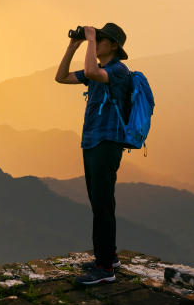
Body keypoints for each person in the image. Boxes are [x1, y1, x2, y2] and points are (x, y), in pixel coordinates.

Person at [54, 22, 134, 286]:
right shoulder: (98, 70)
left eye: (101, 39)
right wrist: (72, 46)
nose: (97, 42)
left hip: (107, 143)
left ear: (114, 46)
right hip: (91, 142)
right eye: (96, 38)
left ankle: (104, 269)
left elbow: (89, 70)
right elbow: (61, 77)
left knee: (102, 205)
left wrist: (88, 40)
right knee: (99, 203)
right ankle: (108, 257)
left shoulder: (118, 71)